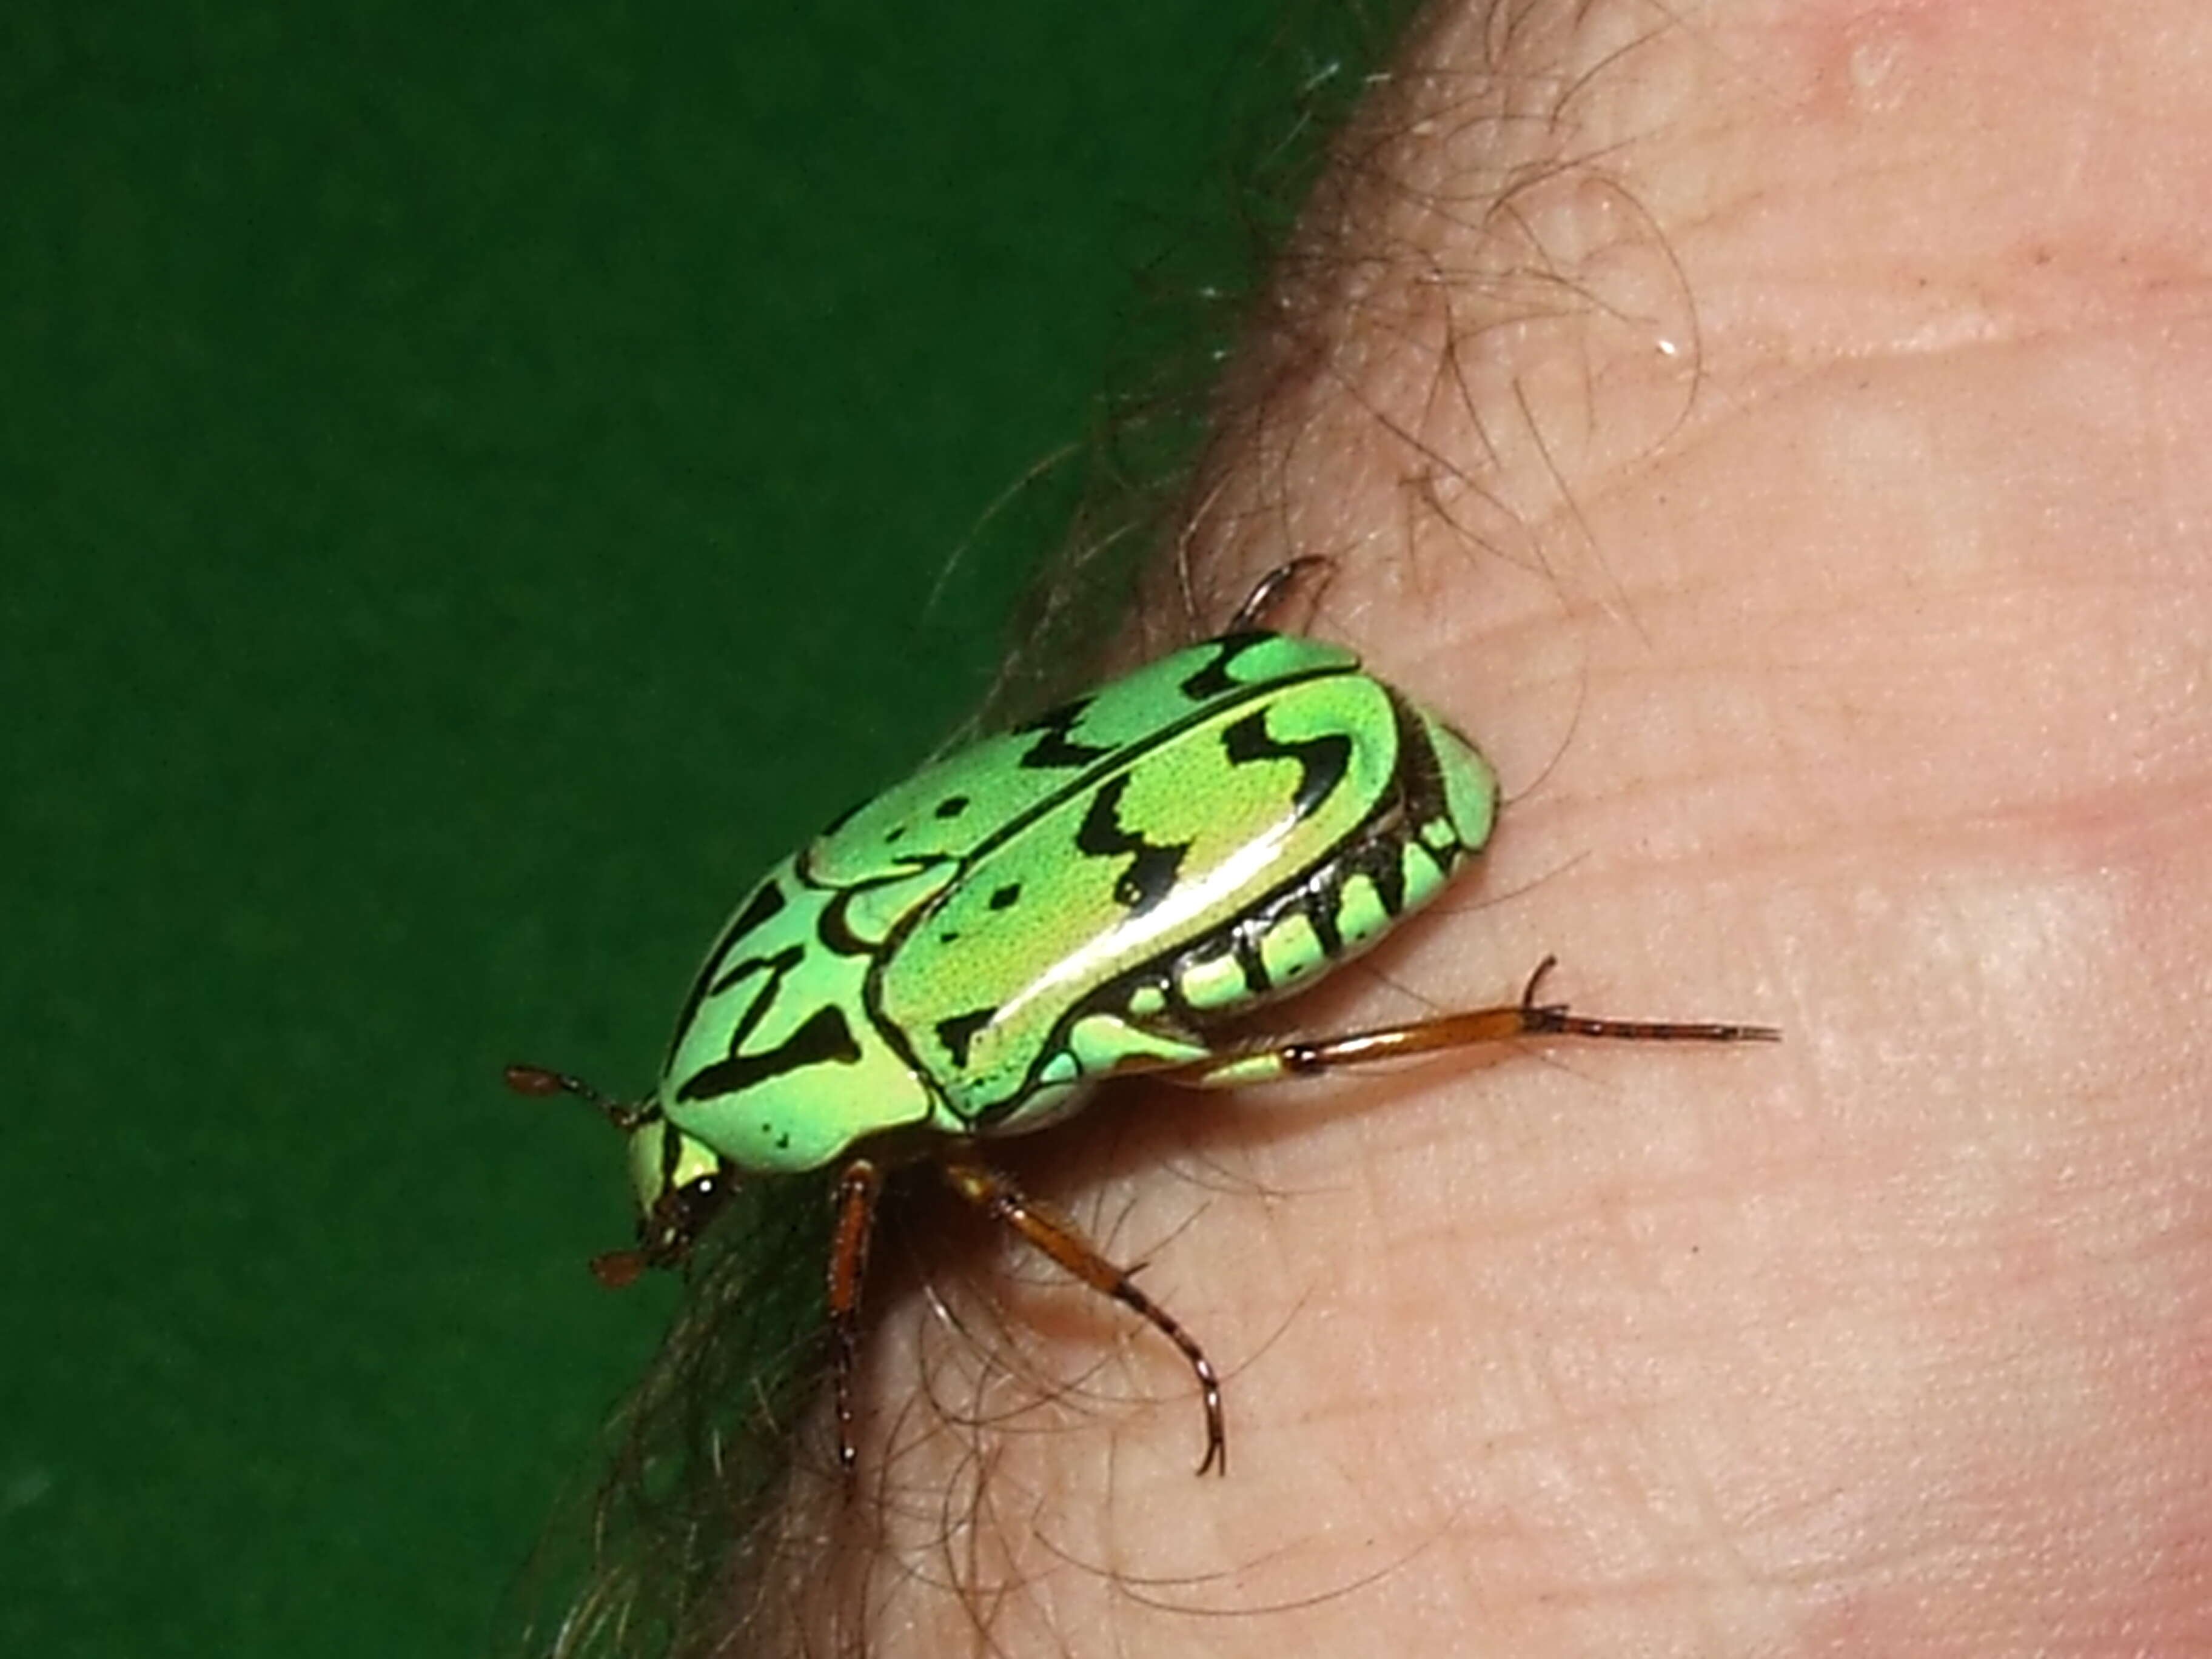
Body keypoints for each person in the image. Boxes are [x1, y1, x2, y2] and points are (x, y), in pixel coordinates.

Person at [776, 2, 2212, 1651]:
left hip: (1289, 809)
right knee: (1239, 1064)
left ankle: (1528, 1010)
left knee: (1266, 1071)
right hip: (1245, 763)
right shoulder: (854, 1038)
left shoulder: (906, 1147)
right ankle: (1499, 978)